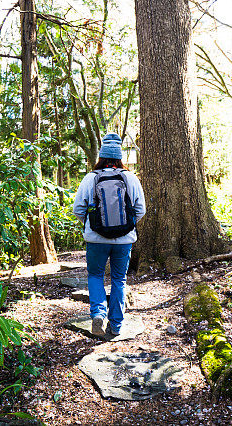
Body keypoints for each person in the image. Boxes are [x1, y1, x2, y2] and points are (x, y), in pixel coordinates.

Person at [72, 133, 145, 336]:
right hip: (124, 240)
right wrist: (126, 226)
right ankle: (117, 325)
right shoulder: (130, 178)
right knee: (119, 280)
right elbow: (141, 209)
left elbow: (78, 208)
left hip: (96, 240)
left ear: (101, 156)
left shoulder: (91, 178)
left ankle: (98, 314)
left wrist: (92, 225)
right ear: (119, 156)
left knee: (95, 275)